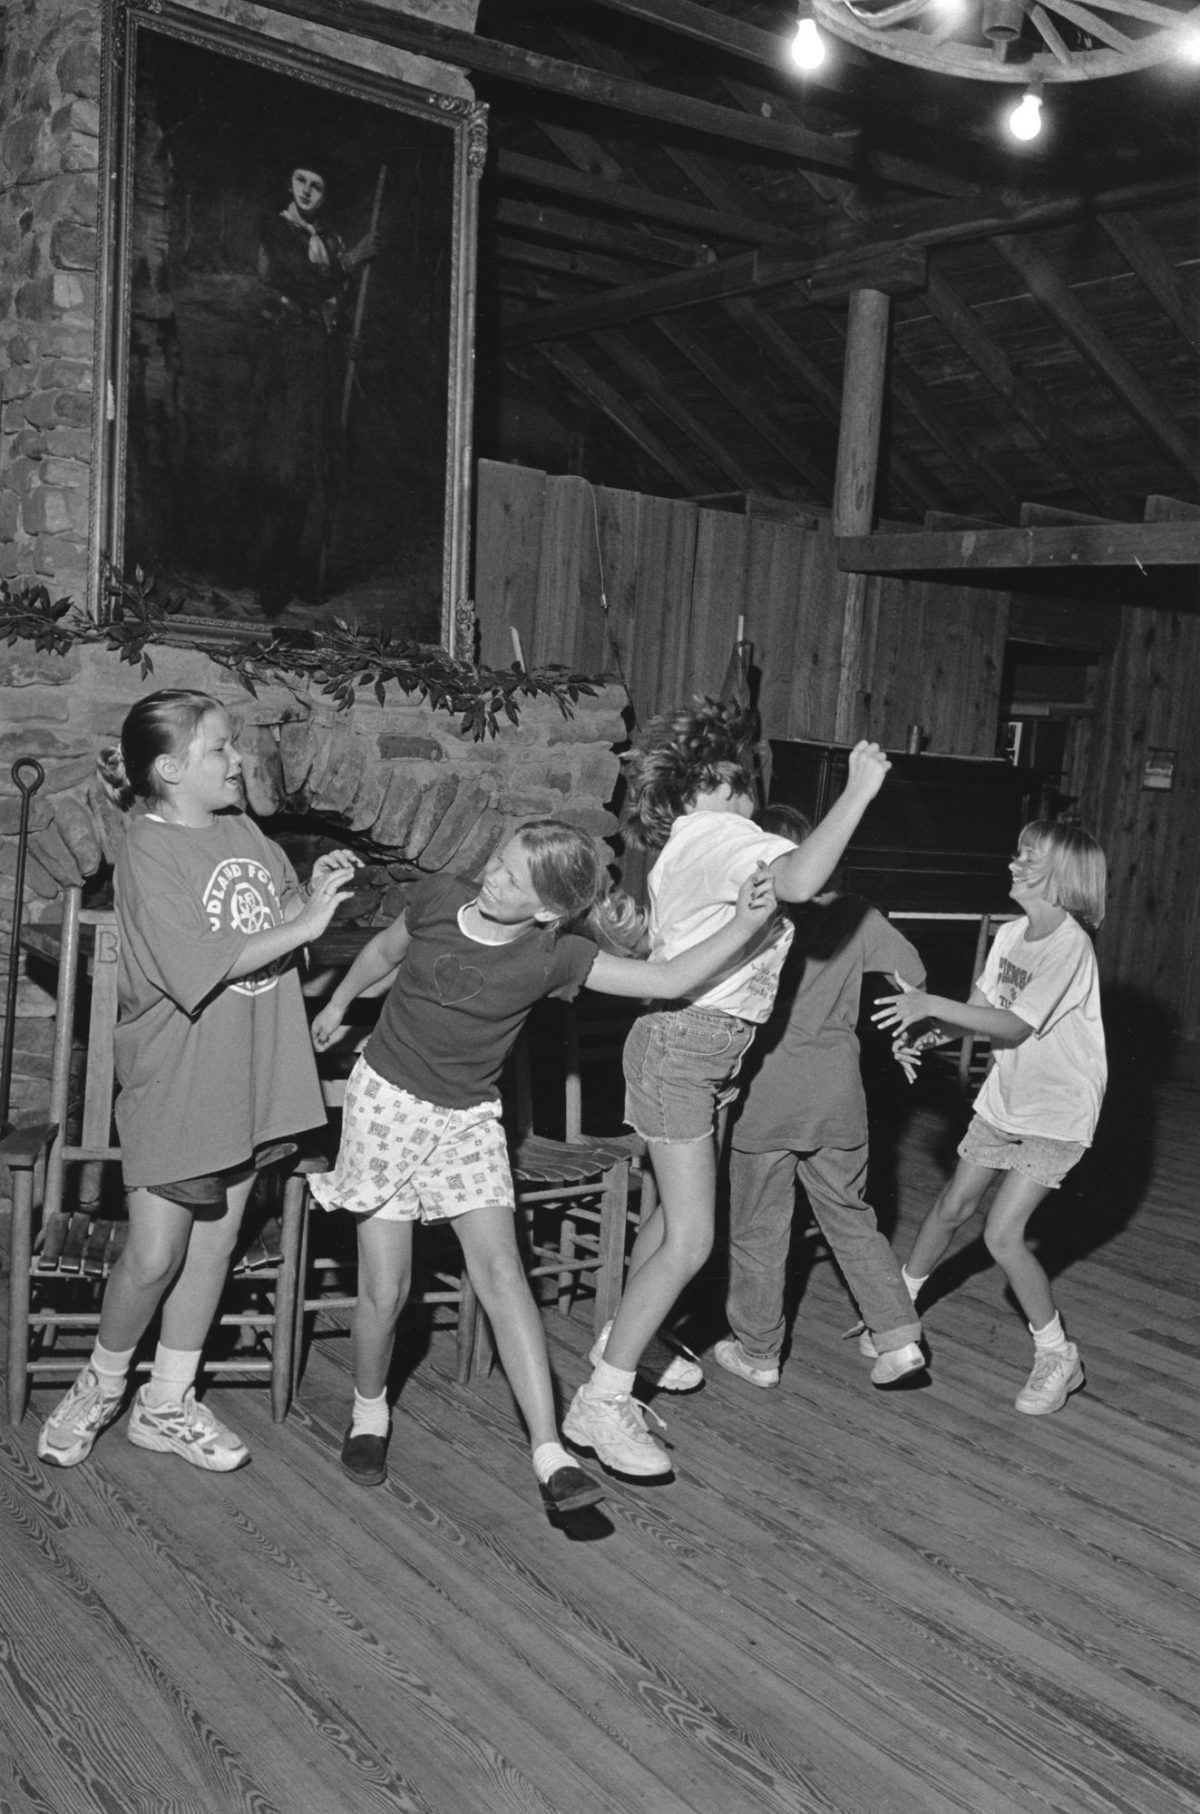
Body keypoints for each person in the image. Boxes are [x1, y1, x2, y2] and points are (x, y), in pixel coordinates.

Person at [307, 819, 777, 1517]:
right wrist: (342, 1003)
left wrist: (746, 923)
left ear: (550, 911)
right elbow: (383, 950)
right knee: (386, 1288)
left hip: (467, 1120)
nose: (491, 877)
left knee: (503, 1275)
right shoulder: (438, 899)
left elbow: (670, 976)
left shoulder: (556, 956)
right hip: (388, 1104)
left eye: (511, 879)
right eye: (497, 860)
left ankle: (550, 1452)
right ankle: (369, 1410)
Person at [563, 699, 891, 1480]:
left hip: (690, 1047)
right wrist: (859, 790)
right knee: (692, 1239)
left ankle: (623, 1345)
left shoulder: (684, 843)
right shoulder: (726, 835)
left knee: (670, 1223)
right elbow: (805, 879)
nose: (750, 788)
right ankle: (601, 1401)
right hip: (688, 1046)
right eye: (741, 775)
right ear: (714, 779)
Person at [37, 689, 357, 1472]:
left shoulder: (241, 826)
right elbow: (191, 969)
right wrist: (305, 925)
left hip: (249, 1069)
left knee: (216, 1244)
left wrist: (313, 891)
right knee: (153, 1255)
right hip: (180, 1080)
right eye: (221, 749)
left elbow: (280, 903)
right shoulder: (148, 851)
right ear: (172, 769)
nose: (238, 759)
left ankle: (167, 1400)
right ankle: (101, 1383)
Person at [871, 818, 1107, 1417]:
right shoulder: (1010, 935)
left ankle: (1058, 1355)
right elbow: (980, 1014)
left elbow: (1016, 1024)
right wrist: (926, 1033)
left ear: (1062, 877)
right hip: (1007, 1100)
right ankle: (896, 1314)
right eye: (1017, 853)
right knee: (953, 1205)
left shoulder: (1069, 944)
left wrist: (928, 1002)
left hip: (1057, 1112)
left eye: (1028, 859)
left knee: (1002, 1234)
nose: (1013, 864)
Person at [715, 803, 929, 1392]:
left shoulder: (747, 920)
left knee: (759, 1228)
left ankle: (758, 1353)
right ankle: (899, 1339)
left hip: (765, 1097)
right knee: (852, 1218)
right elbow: (913, 974)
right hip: (839, 1095)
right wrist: (905, 1034)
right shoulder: (857, 914)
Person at [248, 161, 379, 613]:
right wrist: (349, 263)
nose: (306, 191)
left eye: (317, 185)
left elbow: (331, 305)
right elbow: (297, 282)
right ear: (289, 182)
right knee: (281, 465)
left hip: (318, 358)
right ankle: (271, 581)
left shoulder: (331, 240)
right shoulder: (277, 228)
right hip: (284, 355)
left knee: (312, 468)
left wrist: (346, 341)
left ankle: (300, 574)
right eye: (301, 180)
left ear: (327, 195)